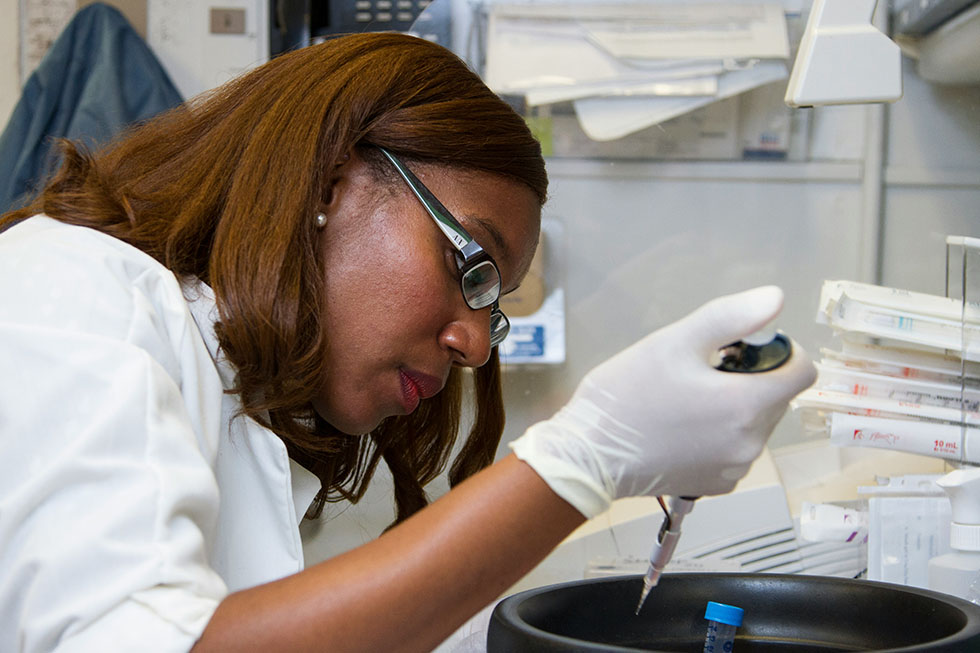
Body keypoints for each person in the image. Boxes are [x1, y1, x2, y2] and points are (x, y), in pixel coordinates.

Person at [0, 32, 816, 652]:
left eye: (494, 309)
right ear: (329, 180)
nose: (475, 346)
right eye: (472, 265)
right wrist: (583, 460)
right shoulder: (66, 292)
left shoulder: (229, 390)